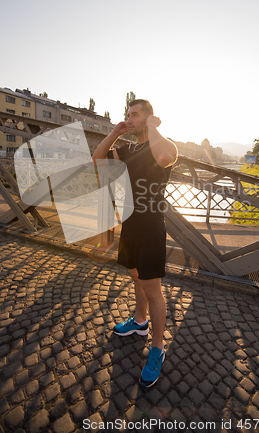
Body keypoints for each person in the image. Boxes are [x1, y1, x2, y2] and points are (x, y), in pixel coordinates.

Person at [92, 99, 178, 387]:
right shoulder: (126, 149)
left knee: (153, 290)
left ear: (148, 118)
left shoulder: (163, 145)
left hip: (151, 228)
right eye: (126, 114)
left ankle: (157, 349)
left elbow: (166, 157)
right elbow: (97, 159)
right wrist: (115, 132)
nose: (128, 119)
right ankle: (139, 321)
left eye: (134, 115)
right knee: (136, 278)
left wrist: (152, 127)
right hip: (129, 225)